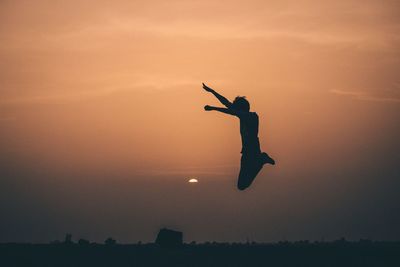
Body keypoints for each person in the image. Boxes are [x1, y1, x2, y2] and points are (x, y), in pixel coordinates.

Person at [203, 83, 275, 190]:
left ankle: (261, 160)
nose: (235, 112)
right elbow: (226, 103)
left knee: (241, 186)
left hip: (253, 151)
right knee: (241, 185)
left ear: (241, 109)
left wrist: (213, 108)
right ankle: (261, 161)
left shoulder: (251, 116)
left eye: (237, 110)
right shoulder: (242, 115)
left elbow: (231, 110)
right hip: (246, 152)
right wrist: (212, 91)